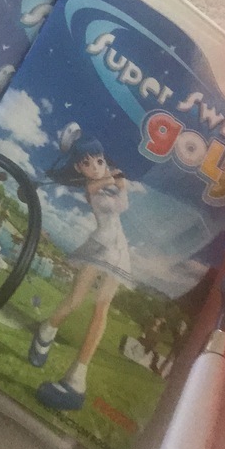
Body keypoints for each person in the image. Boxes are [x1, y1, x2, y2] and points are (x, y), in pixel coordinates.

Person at [28, 135, 131, 411]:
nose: (95, 166)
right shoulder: (92, 188)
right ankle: (47, 329)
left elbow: (123, 204)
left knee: (101, 309)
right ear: (79, 168)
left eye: (99, 160)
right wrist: (115, 180)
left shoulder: (106, 182)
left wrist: (119, 183)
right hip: (99, 248)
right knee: (76, 299)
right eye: (87, 163)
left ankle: (76, 380)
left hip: (118, 251)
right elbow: (116, 203)